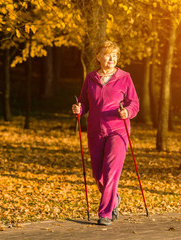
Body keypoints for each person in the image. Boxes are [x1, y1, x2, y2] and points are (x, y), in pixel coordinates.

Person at [72, 40, 139, 226]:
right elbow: (84, 101)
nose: (112, 58)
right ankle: (114, 199)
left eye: (115, 55)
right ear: (99, 57)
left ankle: (105, 213)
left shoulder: (125, 77)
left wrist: (127, 112)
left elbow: (134, 103)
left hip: (118, 130)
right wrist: (79, 108)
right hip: (96, 130)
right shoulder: (91, 78)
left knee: (111, 172)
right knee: (98, 175)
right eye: (108, 54)